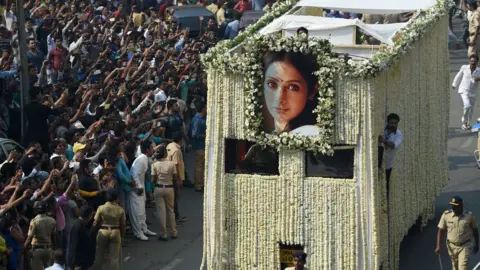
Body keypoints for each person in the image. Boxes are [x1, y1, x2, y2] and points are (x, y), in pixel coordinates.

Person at [261, 50, 320, 136]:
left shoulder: (311, 133)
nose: (279, 98)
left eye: (292, 87)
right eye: (272, 84)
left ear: (312, 91)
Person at [436, 196, 479, 270]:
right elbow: (441, 230)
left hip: (465, 246)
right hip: (451, 247)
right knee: (455, 267)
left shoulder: (469, 216)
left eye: (455, 206)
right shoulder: (446, 215)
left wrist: (477, 244)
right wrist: (438, 246)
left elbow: (475, 230)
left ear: (461, 206)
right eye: (452, 206)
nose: (453, 208)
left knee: (462, 267)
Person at [91, 189, 126, 270]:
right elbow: (123, 225)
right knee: (114, 258)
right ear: (116, 198)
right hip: (115, 231)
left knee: (99, 255)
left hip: (103, 231)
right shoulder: (120, 209)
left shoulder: (101, 208)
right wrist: (123, 235)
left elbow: (95, 222)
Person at [129, 141, 156, 241]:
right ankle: (138, 232)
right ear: (147, 150)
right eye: (152, 148)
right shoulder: (141, 159)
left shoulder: (144, 158)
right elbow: (135, 174)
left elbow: (150, 164)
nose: (153, 150)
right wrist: (139, 187)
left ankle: (144, 229)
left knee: (142, 211)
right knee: (137, 211)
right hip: (136, 190)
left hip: (141, 187)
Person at [151, 146, 178, 241]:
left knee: (161, 211)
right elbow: (175, 178)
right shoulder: (171, 164)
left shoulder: (154, 165)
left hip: (159, 188)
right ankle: (174, 232)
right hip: (169, 188)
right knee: (171, 210)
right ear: (165, 154)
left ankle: (163, 234)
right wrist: (177, 189)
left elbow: (153, 179)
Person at [24, 202, 56, 270]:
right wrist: (54, 249)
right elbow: (54, 236)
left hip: (37, 250)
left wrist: (23, 250)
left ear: (36, 210)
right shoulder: (52, 220)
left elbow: (29, 238)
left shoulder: (34, 221)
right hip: (48, 249)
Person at [453, 55, 480, 130]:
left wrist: (477, 79)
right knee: (467, 105)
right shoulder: (464, 67)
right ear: (469, 61)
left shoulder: (479, 71)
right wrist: (454, 84)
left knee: (471, 109)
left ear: (477, 62)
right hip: (464, 90)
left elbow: (475, 80)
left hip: (473, 93)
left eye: (474, 61)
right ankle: (464, 122)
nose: (473, 63)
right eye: (471, 61)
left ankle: (468, 123)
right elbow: (458, 75)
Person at [379, 113, 403, 197]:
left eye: (395, 123)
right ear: (388, 122)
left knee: (385, 185)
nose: (393, 125)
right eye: (391, 123)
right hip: (378, 162)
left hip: (387, 165)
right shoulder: (382, 128)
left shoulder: (399, 135)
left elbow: (393, 145)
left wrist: (384, 141)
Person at [166, 133, 187, 225]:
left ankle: (175, 216)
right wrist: (178, 179)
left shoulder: (170, 145)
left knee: (172, 198)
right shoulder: (177, 151)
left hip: (168, 174)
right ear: (181, 140)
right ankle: (175, 217)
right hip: (174, 176)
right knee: (174, 197)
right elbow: (176, 165)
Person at [68, 206, 95, 270]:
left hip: (81, 263)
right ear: (89, 216)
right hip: (78, 264)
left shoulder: (80, 225)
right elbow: (75, 246)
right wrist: (76, 264)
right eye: (91, 215)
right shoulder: (79, 227)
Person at [190, 101, 206, 192]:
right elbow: (194, 134)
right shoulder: (197, 120)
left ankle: (201, 183)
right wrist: (206, 136)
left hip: (204, 146)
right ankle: (198, 185)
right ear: (203, 109)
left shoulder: (203, 118)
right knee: (199, 166)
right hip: (200, 146)